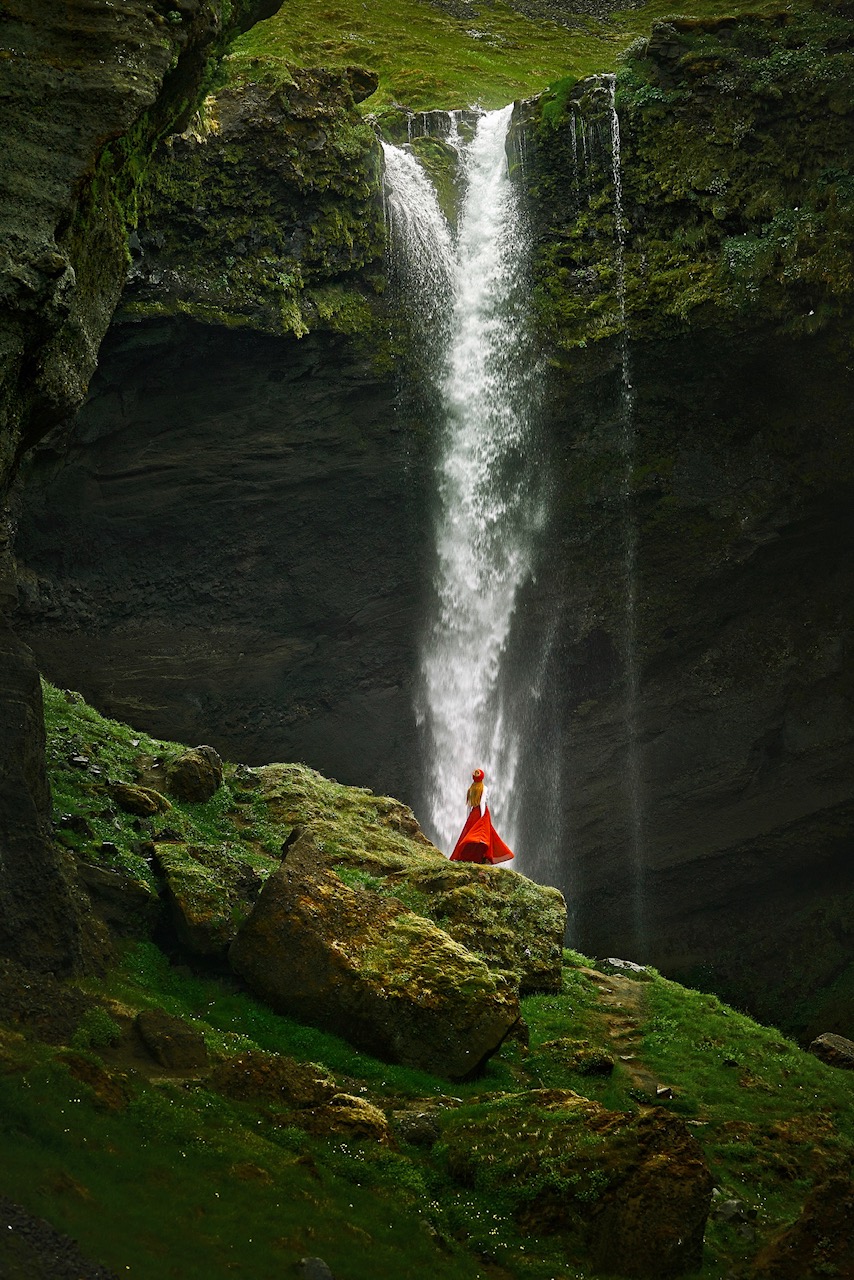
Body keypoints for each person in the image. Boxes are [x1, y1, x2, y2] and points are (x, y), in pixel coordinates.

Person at [450, 768, 514, 864]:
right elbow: (482, 803)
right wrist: (483, 816)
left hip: (473, 814)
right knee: (485, 835)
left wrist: (468, 817)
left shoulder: (470, 789)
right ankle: (483, 856)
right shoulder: (484, 788)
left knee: (472, 833)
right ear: (482, 777)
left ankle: (471, 856)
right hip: (482, 813)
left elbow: (469, 806)